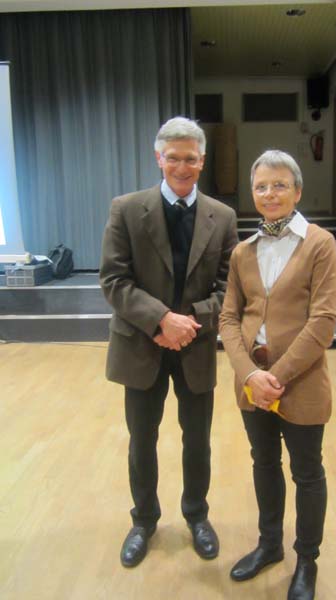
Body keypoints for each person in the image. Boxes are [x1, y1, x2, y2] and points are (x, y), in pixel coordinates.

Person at [100, 116, 238, 568]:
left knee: (197, 440)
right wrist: (160, 320)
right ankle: (143, 521)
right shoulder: (126, 209)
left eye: (190, 159)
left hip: (195, 345)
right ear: (158, 158)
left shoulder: (223, 217)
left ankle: (197, 516)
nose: (182, 166)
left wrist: (187, 322)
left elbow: (230, 287)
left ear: (203, 161)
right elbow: (113, 280)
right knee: (142, 440)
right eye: (173, 157)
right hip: (141, 344)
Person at [219, 150, 336, 600]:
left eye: (280, 185)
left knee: (307, 471)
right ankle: (269, 545)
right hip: (252, 381)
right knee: (264, 463)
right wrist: (250, 374)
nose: (270, 194)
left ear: (297, 191)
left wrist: (278, 377)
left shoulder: (319, 243)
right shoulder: (242, 251)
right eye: (261, 186)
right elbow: (229, 318)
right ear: (253, 193)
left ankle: (306, 560)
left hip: (302, 380)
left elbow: (323, 321)